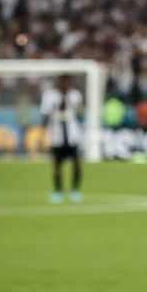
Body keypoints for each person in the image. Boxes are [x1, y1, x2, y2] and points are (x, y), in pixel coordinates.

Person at [42, 74, 83, 203]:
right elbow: (45, 115)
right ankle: (58, 191)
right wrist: (45, 131)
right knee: (57, 166)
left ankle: (75, 190)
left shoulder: (75, 95)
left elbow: (79, 113)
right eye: (63, 81)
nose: (65, 84)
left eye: (67, 81)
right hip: (57, 135)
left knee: (76, 164)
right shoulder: (49, 96)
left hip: (72, 135)